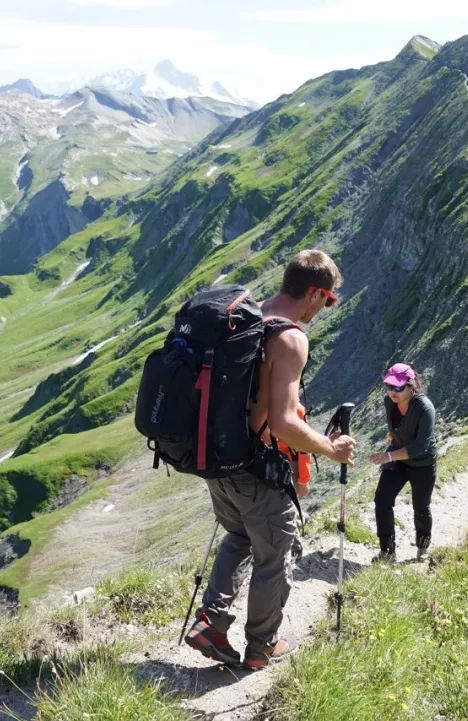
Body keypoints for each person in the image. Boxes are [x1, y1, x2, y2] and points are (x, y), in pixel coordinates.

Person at [184, 250, 356, 671]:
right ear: (315, 293)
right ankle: (262, 647)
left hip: (216, 460)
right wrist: (330, 449)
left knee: (240, 536)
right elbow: (280, 423)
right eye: (329, 300)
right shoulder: (290, 338)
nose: (326, 307)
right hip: (256, 469)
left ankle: (212, 622)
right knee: (276, 554)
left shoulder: (246, 320)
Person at [368, 363, 438, 562]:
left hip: (423, 463)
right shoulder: (388, 401)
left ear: (411, 385)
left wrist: (388, 456)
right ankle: (387, 552)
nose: (392, 392)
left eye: (398, 387)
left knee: (421, 507)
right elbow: (395, 426)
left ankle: (423, 548)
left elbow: (420, 447)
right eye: (389, 386)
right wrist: (394, 435)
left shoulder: (425, 408)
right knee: (382, 499)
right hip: (399, 460)